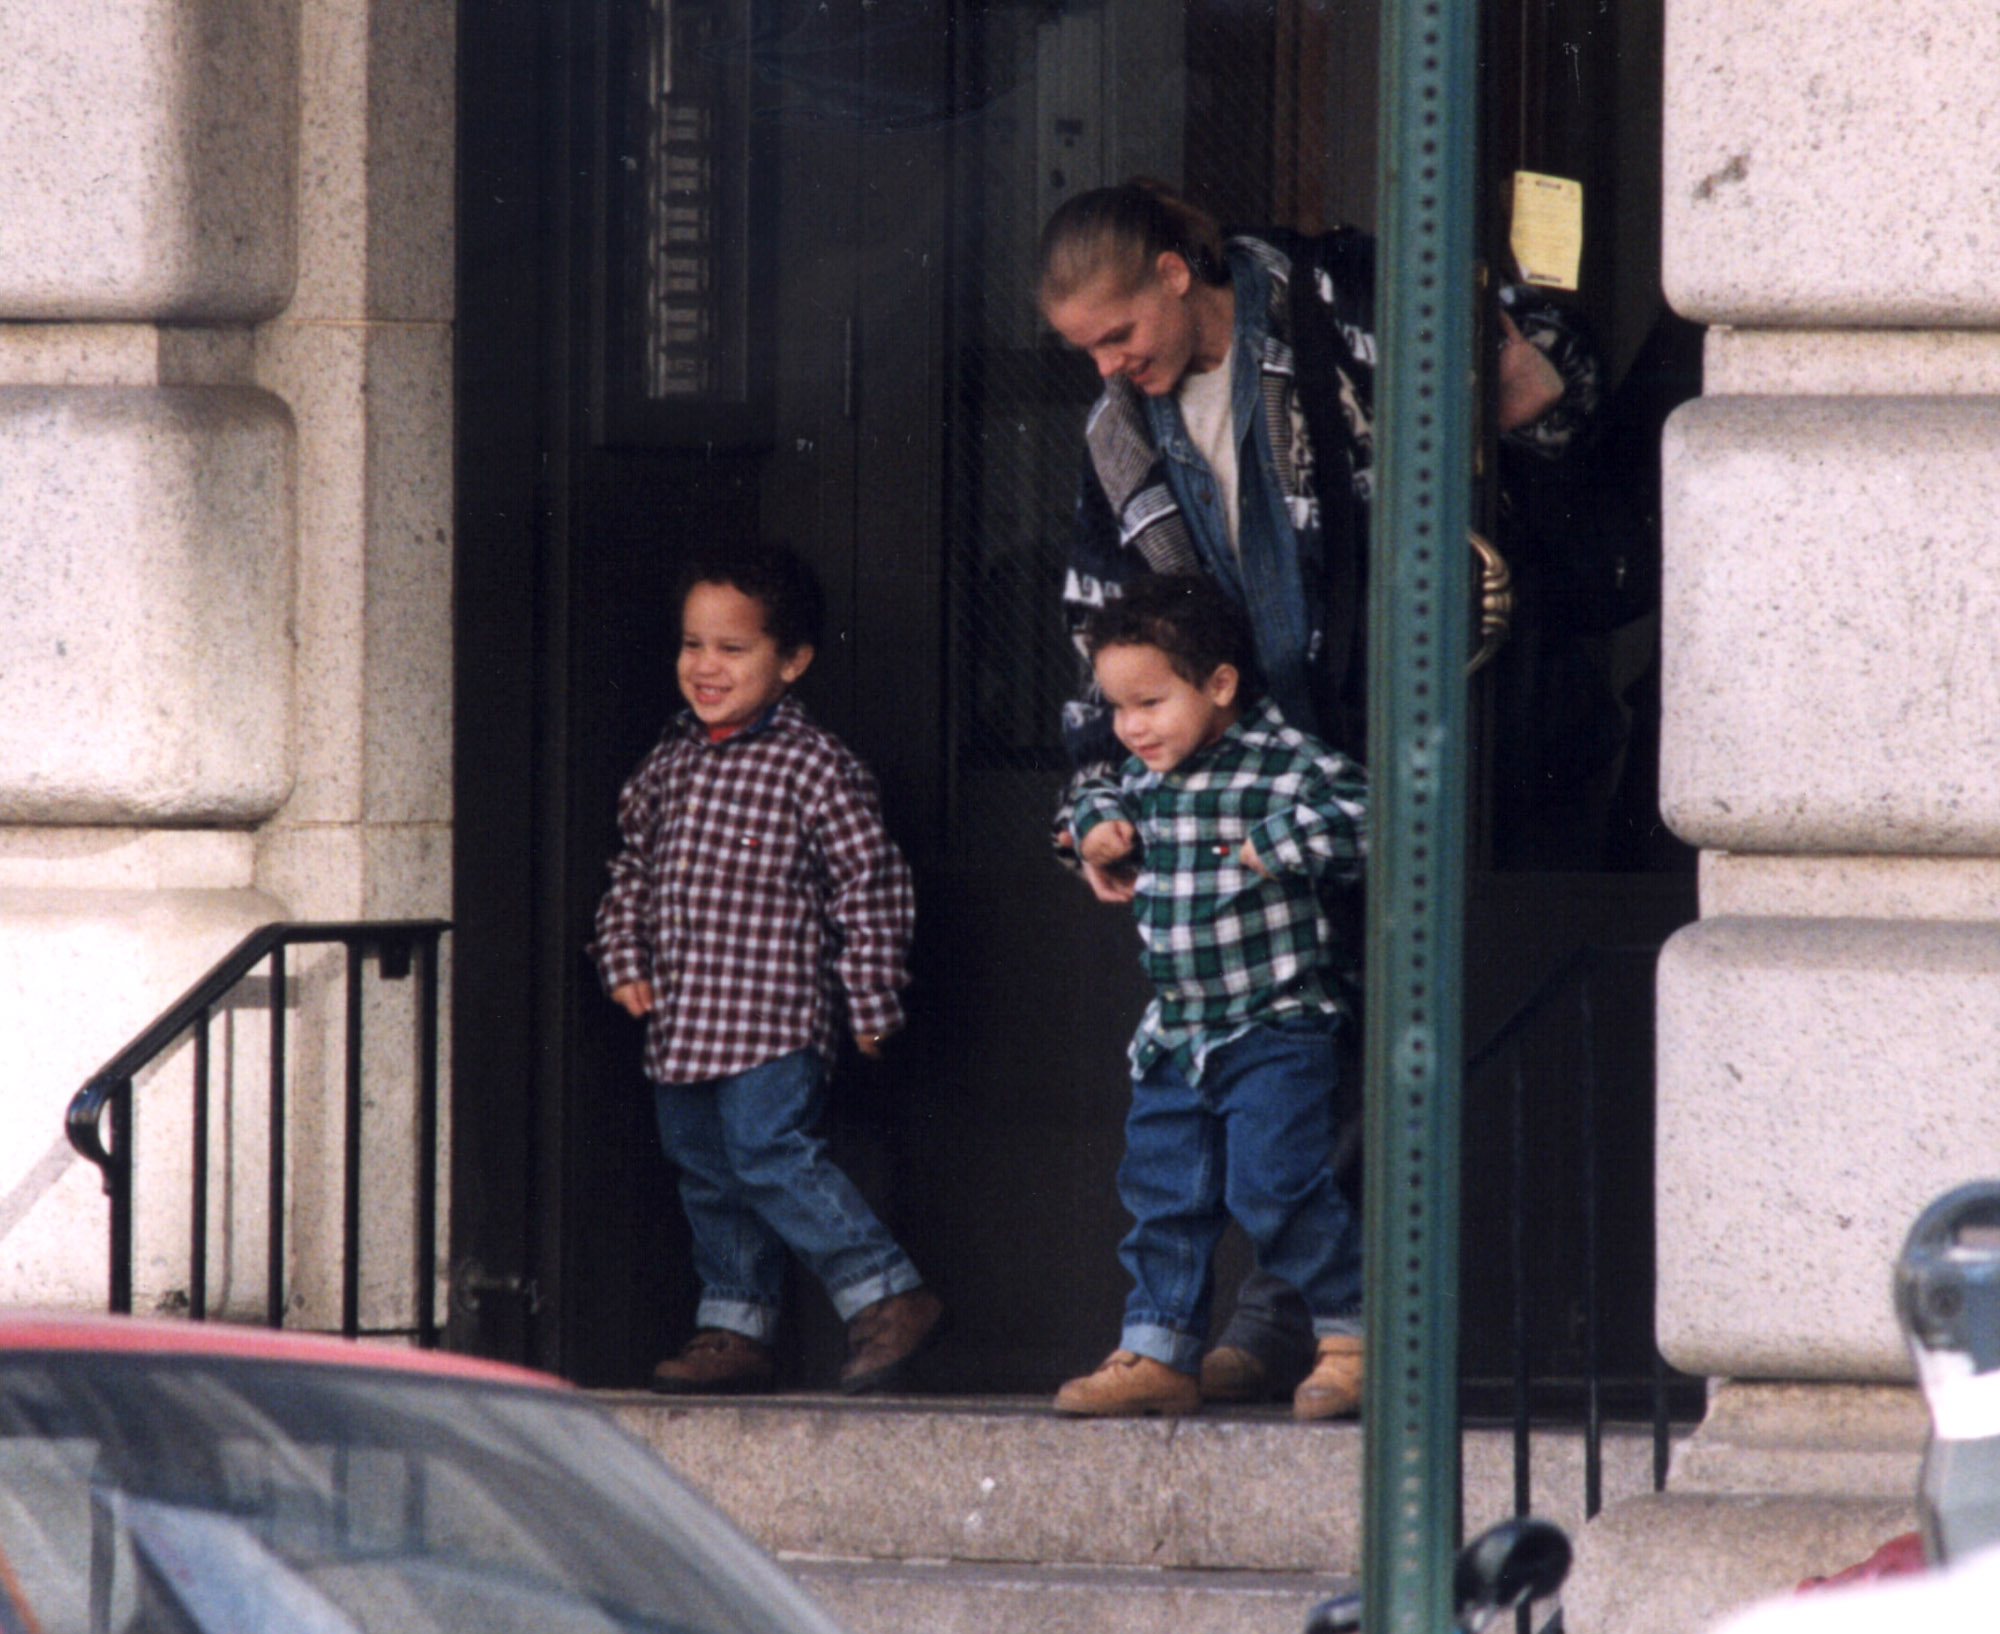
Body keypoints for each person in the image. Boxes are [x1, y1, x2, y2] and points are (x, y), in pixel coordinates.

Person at [1039, 178, 1599, 1405]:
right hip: (1242, 759)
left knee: (1350, 1030)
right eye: (1085, 347)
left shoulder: (1332, 306)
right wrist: (1105, 789)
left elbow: (1535, 386)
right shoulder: (1117, 433)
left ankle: (1307, 1318)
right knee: (1280, 1049)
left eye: (1119, 331)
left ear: (1177, 272)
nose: (1110, 363)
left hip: (1403, 731)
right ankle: (1271, 1318)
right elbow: (1102, 619)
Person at [590, 543, 946, 1396]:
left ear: (792, 662)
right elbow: (629, 872)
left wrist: (870, 996)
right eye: (693, 645)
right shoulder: (668, 763)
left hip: (769, 1018)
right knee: (708, 1173)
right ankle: (735, 1327)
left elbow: (870, 885)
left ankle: (886, 1292)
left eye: (733, 649)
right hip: (683, 1022)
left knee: (769, 1155)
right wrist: (623, 956)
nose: (706, 666)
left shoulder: (812, 765)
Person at [1051, 574, 1368, 1419]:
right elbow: (1090, 796)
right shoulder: (1145, 776)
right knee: (1164, 1194)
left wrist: (1287, 841)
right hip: (1175, 1036)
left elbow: (1377, 815)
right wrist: (1092, 828)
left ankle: (1355, 1333)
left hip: (1274, 1025)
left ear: (1219, 685)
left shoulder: (1288, 765)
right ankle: (1160, 1349)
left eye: (1149, 703)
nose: (1131, 728)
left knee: (1277, 1185)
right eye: (1117, 709)